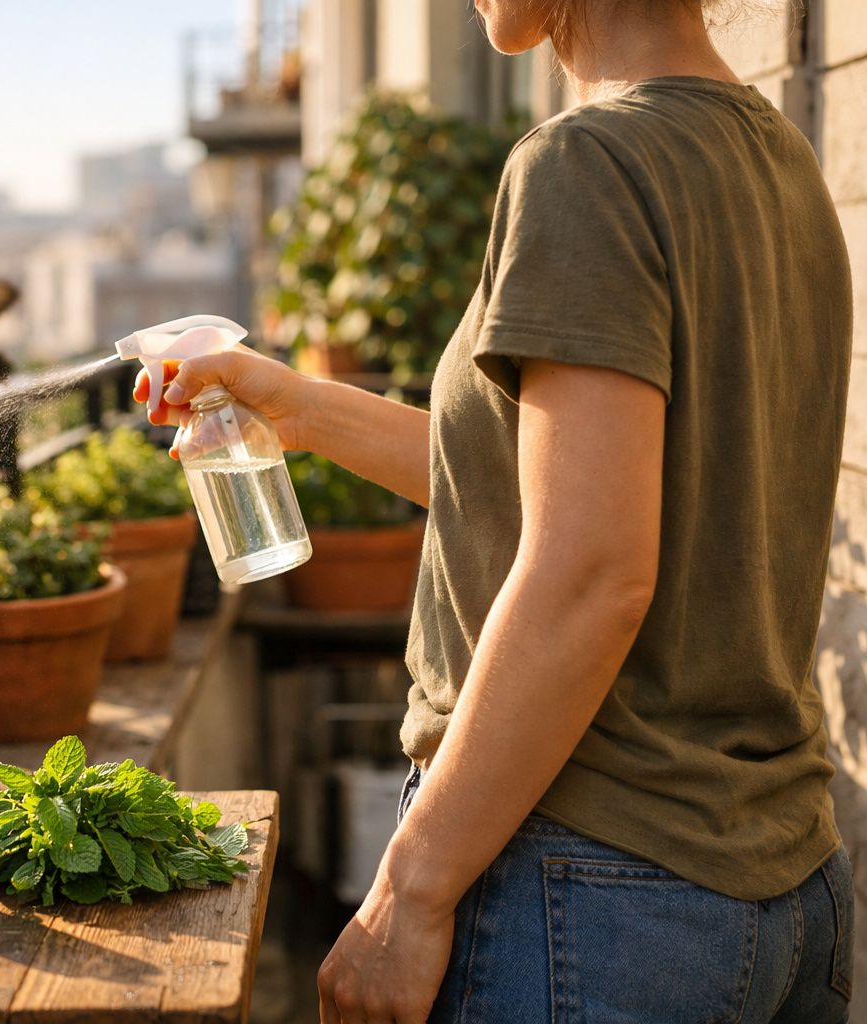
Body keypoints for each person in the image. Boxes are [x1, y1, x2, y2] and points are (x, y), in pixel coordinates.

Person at [136, 0, 854, 1020]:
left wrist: (408, 891)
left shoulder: (587, 163)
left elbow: (590, 573)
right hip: (784, 885)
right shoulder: (779, 160)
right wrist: (299, 407)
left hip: (596, 889)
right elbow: (548, 490)